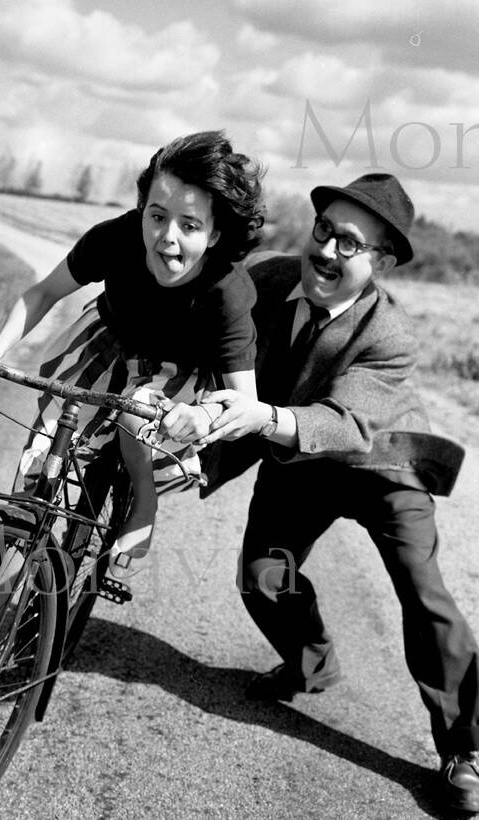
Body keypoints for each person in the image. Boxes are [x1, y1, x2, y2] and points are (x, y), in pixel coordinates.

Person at [181, 173, 479, 813]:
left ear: (382, 263)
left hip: (383, 465)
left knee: (423, 594)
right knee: (264, 576)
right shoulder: (267, 280)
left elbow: (343, 423)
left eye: (351, 244)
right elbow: (219, 345)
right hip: (299, 461)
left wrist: (260, 419)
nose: (327, 252)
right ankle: (310, 664)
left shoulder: (390, 336)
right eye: (324, 232)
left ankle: (466, 748)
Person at [0, 130, 264, 568]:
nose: (166, 237)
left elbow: (246, 403)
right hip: (109, 340)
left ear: (216, 233)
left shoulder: (228, 292)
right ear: (142, 209)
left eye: (189, 225)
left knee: (137, 409)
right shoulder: (116, 237)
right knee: (41, 453)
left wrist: (203, 416)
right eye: (156, 216)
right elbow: (43, 293)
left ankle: (144, 503)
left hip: (177, 369)